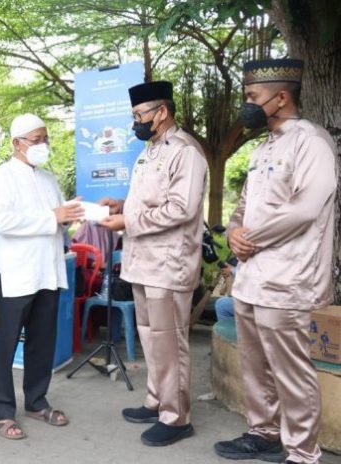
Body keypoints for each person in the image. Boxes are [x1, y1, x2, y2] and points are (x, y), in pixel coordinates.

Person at [214, 58, 337, 464]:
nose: (247, 104)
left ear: (281, 97)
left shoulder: (312, 141)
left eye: (253, 97)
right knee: (255, 366)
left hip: (289, 278)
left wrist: (251, 238)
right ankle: (263, 433)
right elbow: (245, 207)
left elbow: (306, 208)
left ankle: (303, 453)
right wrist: (234, 232)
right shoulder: (264, 146)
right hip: (252, 277)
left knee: (291, 371)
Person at [98, 81, 208, 446]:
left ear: (162, 112)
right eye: (133, 116)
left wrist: (128, 221)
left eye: (140, 115)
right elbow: (145, 202)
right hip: (142, 262)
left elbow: (181, 208)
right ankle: (156, 400)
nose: (136, 122)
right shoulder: (150, 151)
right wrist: (121, 206)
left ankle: (176, 418)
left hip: (168, 264)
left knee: (169, 341)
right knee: (150, 338)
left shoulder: (185, 152)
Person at [0, 113, 83, 440]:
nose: (43, 145)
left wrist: (67, 216)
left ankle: (36, 401)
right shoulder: (2, 176)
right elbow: (2, 222)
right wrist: (52, 217)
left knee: (42, 343)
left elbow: (56, 221)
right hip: (15, 275)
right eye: (36, 140)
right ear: (17, 143)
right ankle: (2, 411)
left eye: (45, 139)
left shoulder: (49, 179)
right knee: (6, 346)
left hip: (47, 273)